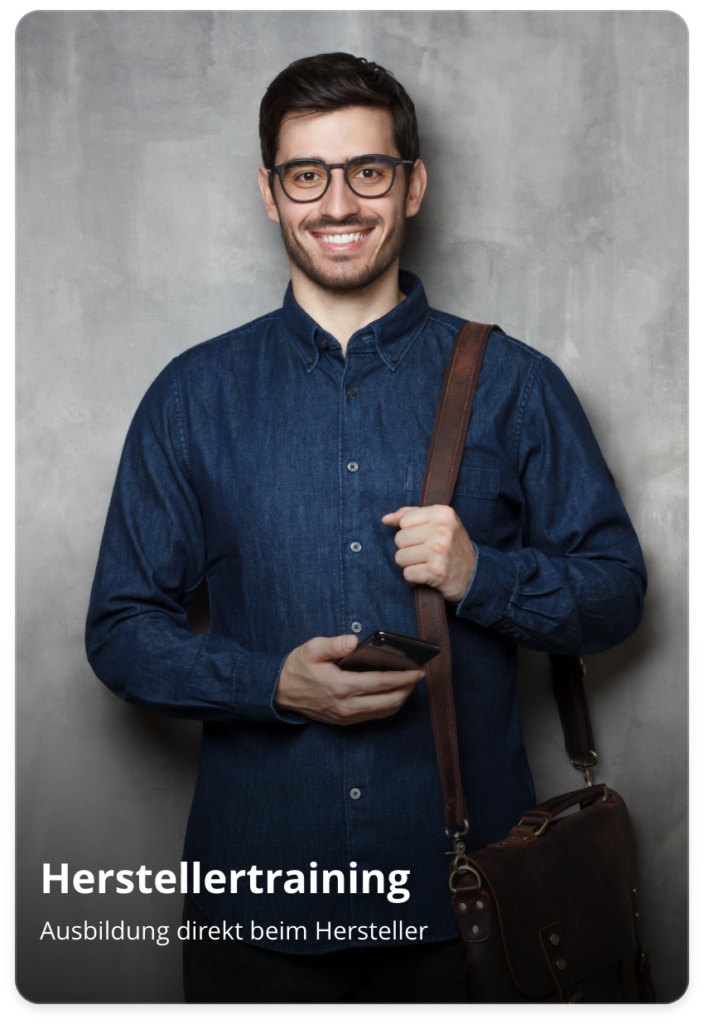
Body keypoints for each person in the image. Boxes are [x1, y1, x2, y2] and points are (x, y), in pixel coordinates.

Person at [85, 52, 647, 1003]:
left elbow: (617, 592)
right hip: (258, 916)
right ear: (270, 194)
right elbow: (121, 633)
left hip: (465, 907)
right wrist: (270, 684)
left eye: (368, 171)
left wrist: (483, 577)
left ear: (413, 183)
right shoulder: (191, 397)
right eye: (307, 175)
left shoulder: (516, 384)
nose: (338, 204)